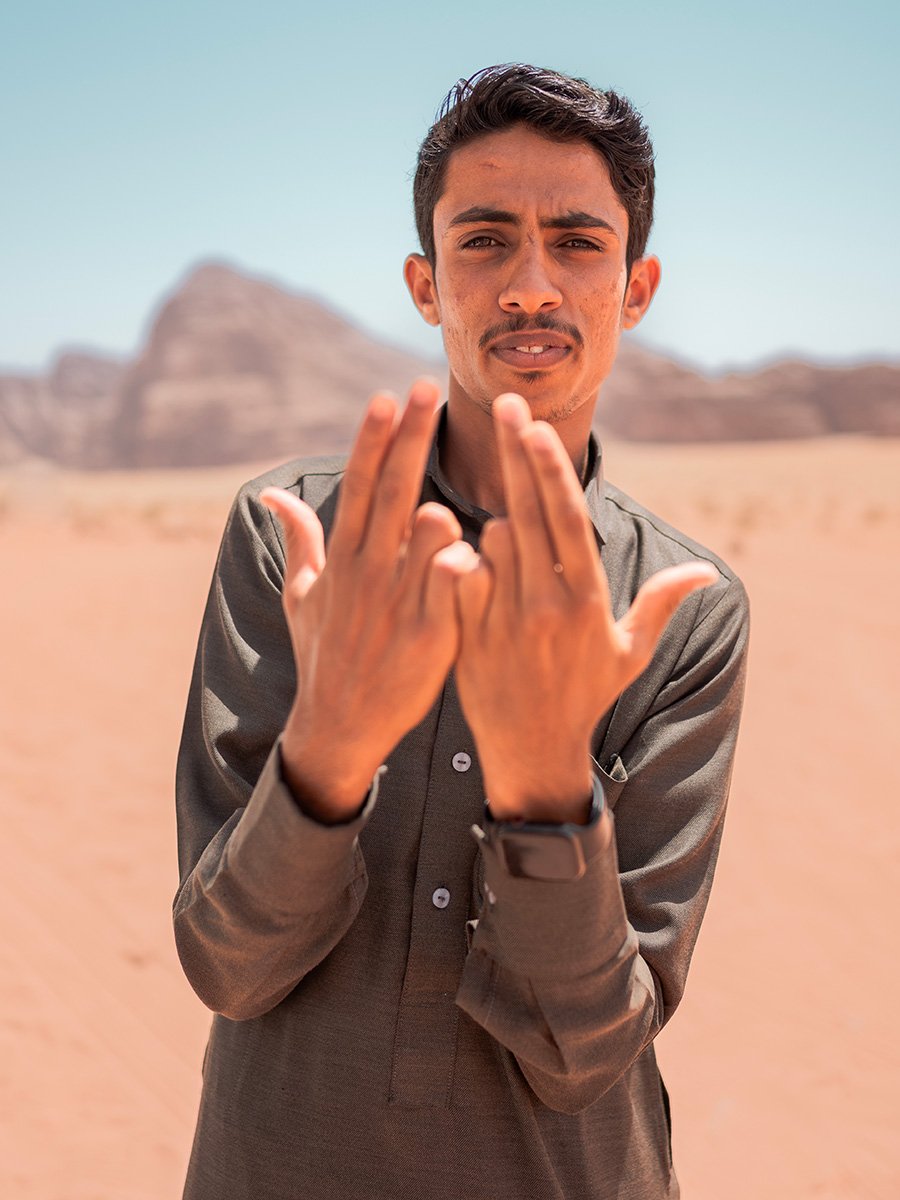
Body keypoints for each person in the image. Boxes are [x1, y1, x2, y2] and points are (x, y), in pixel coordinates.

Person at [174, 63, 749, 1199]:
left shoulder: (681, 609)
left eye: (577, 243)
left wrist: (545, 786)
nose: (530, 284)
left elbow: (587, 1046)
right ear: (426, 283)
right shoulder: (293, 541)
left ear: (635, 289)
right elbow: (229, 966)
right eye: (484, 241)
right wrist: (330, 749)